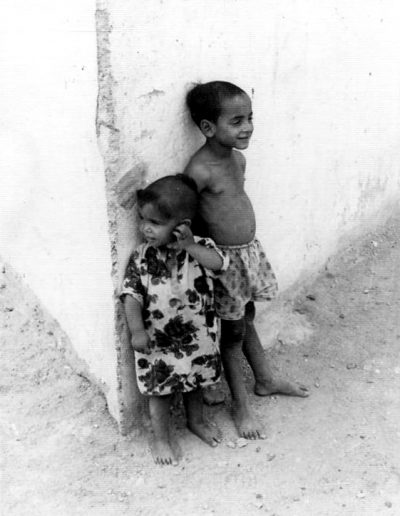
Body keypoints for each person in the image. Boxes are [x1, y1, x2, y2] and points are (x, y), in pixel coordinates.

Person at [184, 81, 309, 440]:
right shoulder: (200, 170)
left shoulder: (238, 159)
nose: (248, 127)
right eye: (236, 121)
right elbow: (191, 216)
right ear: (208, 128)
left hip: (247, 257)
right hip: (224, 264)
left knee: (246, 317)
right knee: (232, 332)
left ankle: (265, 379)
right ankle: (241, 404)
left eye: (250, 118)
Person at [120, 174, 229, 465]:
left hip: (197, 338)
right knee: (160, 392)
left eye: (155, 223)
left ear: (182, 226)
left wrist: (191, 246)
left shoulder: (200, 248)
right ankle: (161, 438)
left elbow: (219, 264)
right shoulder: (141, 257)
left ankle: (197, 422)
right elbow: (131, 295)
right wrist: (137, 330)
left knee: (195, 384)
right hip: (157, 342)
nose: (145, 228)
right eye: (143, 219)